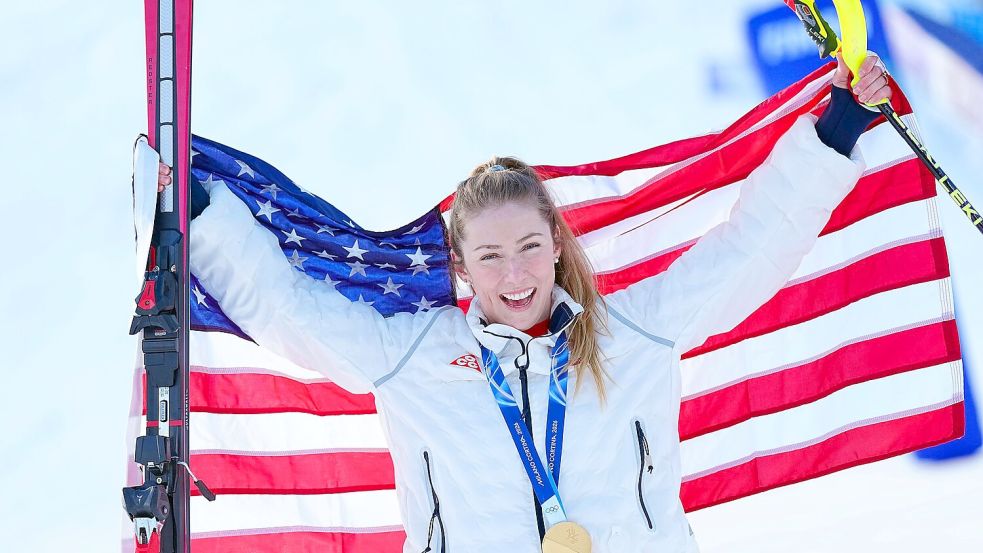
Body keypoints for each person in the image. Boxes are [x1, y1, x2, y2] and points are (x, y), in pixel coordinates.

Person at [155, 54, 892, 552]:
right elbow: (289, 310)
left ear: (557, 241)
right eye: (490, 255)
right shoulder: (411, 353)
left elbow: (747, 254)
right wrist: (202, 216)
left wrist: (832, 138)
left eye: (529, 247)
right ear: (460, 264)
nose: (514, 274)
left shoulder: (632, 329)